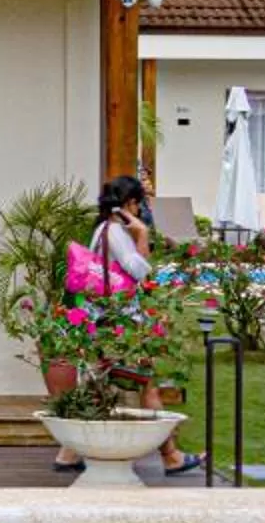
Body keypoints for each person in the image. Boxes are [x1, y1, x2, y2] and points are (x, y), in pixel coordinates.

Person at [58, 175, 205, 477]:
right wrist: (142, 235)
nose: (141, 210)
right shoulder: (116, 232)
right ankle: (171, 457)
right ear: (129, 203)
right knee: (145, 384)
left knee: (97, 385)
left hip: (105, 320)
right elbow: (139, 271)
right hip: (121, 324)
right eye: (139, 204)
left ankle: (68, 453)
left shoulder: (102, 229)